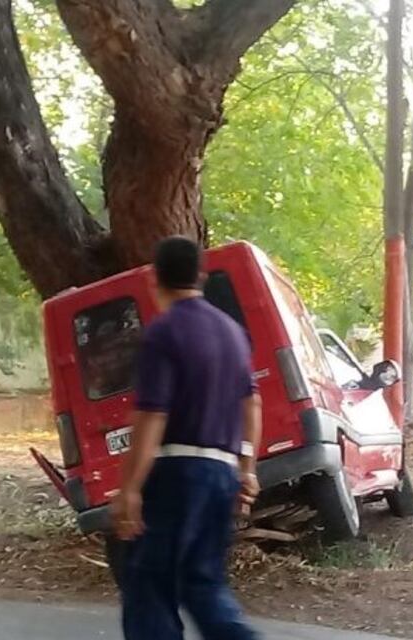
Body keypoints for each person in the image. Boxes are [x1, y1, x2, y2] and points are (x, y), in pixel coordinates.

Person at [111, 236, 263, 640]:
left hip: (179, 473)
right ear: (202, 276)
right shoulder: (232, 332)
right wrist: (246, 469)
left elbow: (153, 416)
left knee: (148, 584)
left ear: (153, 278)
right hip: (222, 474)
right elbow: (252, 406)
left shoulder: (163, 333)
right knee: (203, 583)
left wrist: (130, 489)